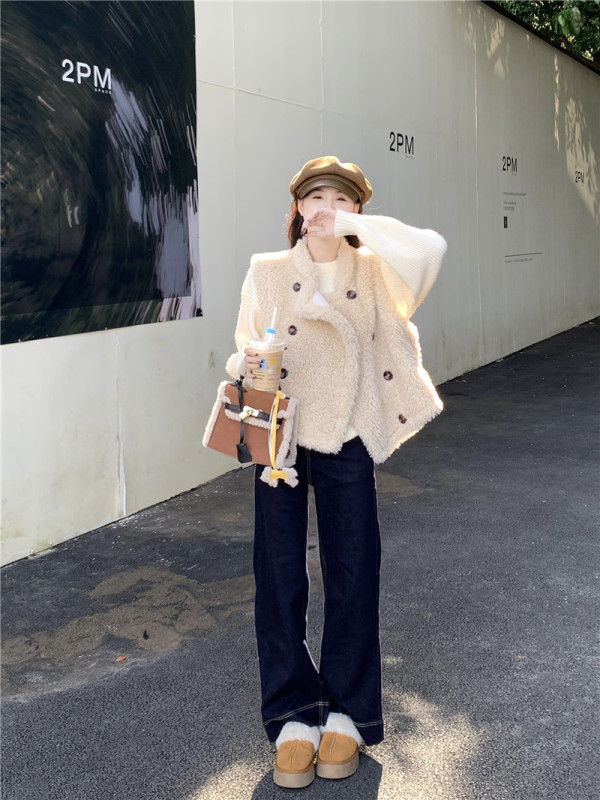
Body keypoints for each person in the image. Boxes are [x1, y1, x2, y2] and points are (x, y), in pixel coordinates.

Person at [226, 156, 447, 788]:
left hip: (348, 430)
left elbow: (429, 251)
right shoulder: (267, 270)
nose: (326, 207)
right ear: (297, 207)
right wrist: (249, 362)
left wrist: (357, 229)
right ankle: (292, 715)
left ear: (357, 211)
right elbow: (244, 344)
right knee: (278, 572)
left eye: (341, 199)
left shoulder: (375, 271)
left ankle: (347, 712)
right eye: (315, 197)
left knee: (354, 569)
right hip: (282, 431)